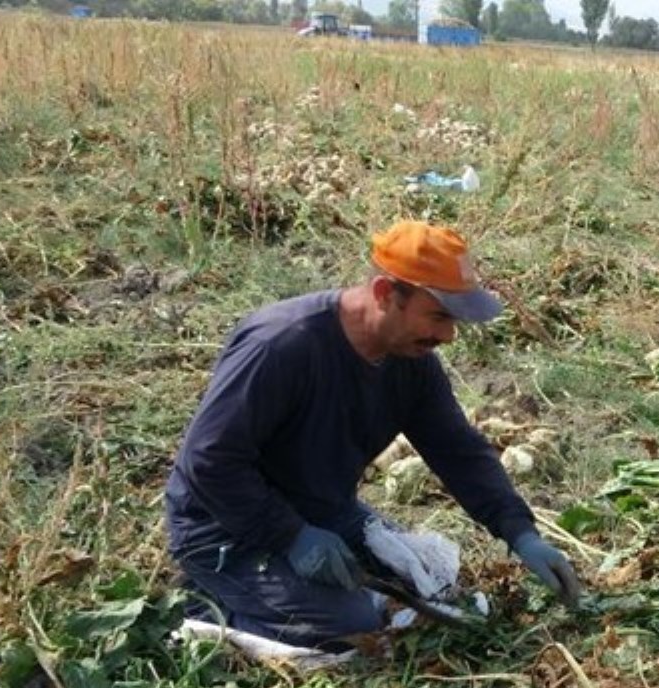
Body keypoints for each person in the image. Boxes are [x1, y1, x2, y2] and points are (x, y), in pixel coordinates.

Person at [165, 221, 581, 648]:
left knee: (428, 580)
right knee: (355, 626)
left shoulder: (411, 363)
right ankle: (204, 609)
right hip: (224, 526)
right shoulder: (282, 346)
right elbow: (209, 459)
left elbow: (458, 451)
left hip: (324, 510)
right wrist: (289, 535)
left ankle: (284, 590)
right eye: (438, 316)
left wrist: (519, 531)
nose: (447, 336)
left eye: (452, 320)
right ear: (385, 293)